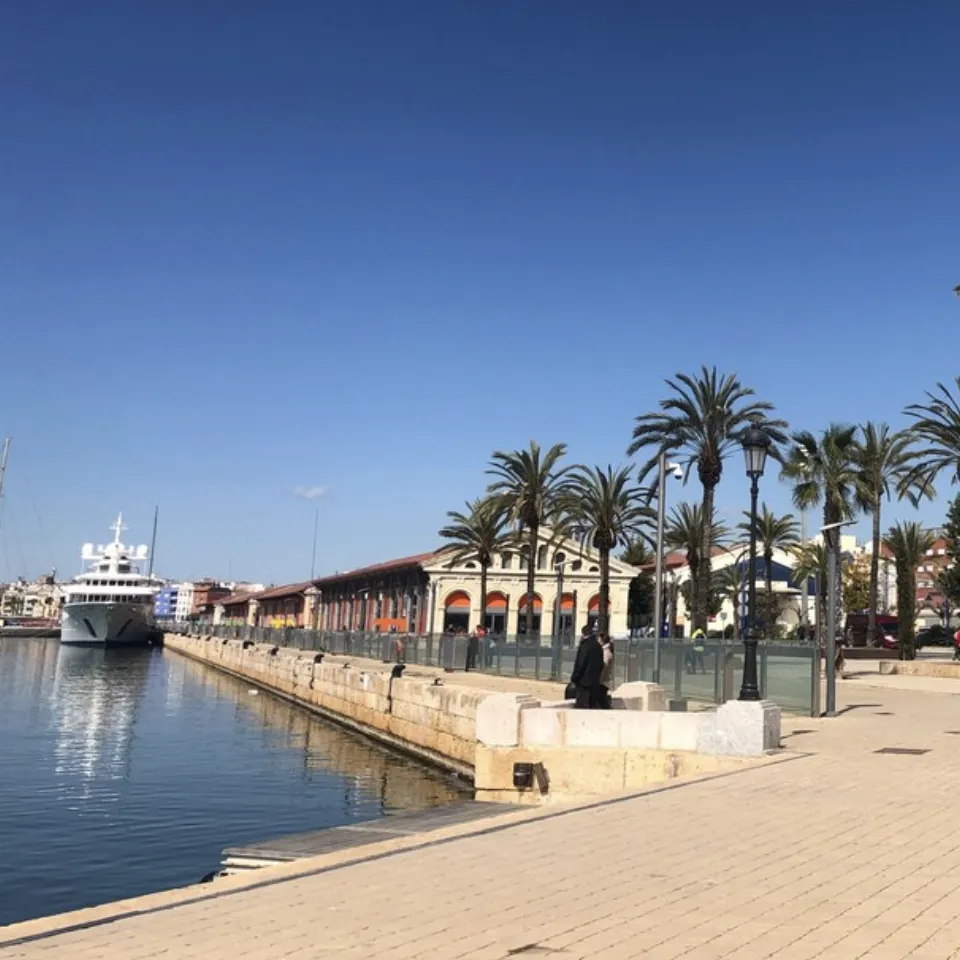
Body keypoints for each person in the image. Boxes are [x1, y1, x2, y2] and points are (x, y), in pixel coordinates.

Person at [569, 624, 605, 709]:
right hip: (595, 682)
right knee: (592, 707)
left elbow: (580, 664)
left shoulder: (585, 646)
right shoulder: (598, 646)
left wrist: (574, 678)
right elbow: (601, 664)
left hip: (584, 683)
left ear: (583, 634)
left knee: (582, 706)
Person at [597, 632, 615, 709]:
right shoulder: (605, 650)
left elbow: (604, 666)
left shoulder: (606, 652)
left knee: (602, 700)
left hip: (603, 681)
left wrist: (599, 680)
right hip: (604, 680)